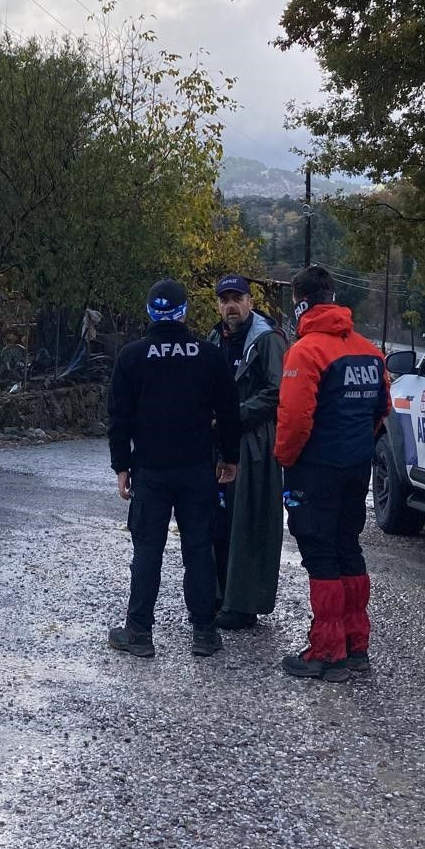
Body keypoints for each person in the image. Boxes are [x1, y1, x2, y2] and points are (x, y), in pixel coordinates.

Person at [107, 278, 241, 659]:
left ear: (150, 312)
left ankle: (139, 632)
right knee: (198, 549)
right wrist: (229, 458)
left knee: (147, 549)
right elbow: (229, 413)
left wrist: (122, 466)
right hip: (198, 469)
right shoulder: (208, 355)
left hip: (151, 469)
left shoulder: (132, 356)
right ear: (183, 312)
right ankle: (204, 632)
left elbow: (118, 417)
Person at [275, 265, 390, 681]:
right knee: (348, 547)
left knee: (319, 553)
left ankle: (327, 652)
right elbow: (382, 411)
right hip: (356, 466)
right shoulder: (369, 351)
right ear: (334, 296)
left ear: (300, 301)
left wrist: (285, 459)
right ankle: (357, 645)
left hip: (315, 468)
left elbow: (294, 418)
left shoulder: (305, 351)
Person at [205, 274, 287, 630]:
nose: (230, 306)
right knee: (217, 521)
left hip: (254, 441)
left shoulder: (267, 340)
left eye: (237, 298)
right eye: (224, 300)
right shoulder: (214, 338)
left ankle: (244, 604)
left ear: (251, 302)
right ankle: (217, 595)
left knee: (249, 523)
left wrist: (230, 417)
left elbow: (275, 392)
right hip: (216, 442)